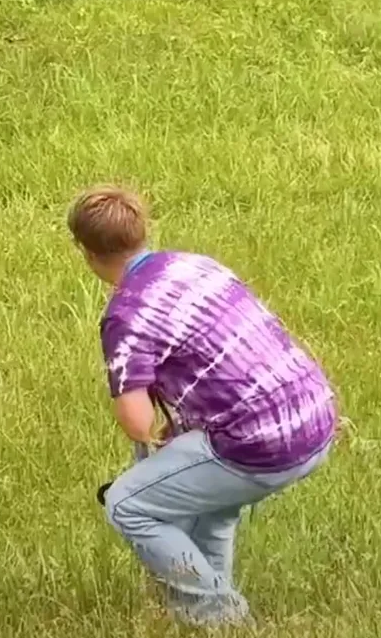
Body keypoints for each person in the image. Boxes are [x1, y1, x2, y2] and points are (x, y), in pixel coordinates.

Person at [67, 184, 337, 627]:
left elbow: (139, 424)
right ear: (142, 229)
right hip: (315, 413)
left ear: (85, 250)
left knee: (127, 505)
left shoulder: (127, 314)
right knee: (211, 510)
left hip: (260, 445)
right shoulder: (197, 266)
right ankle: (215, 612)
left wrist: (154, 423)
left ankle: (218, 615)